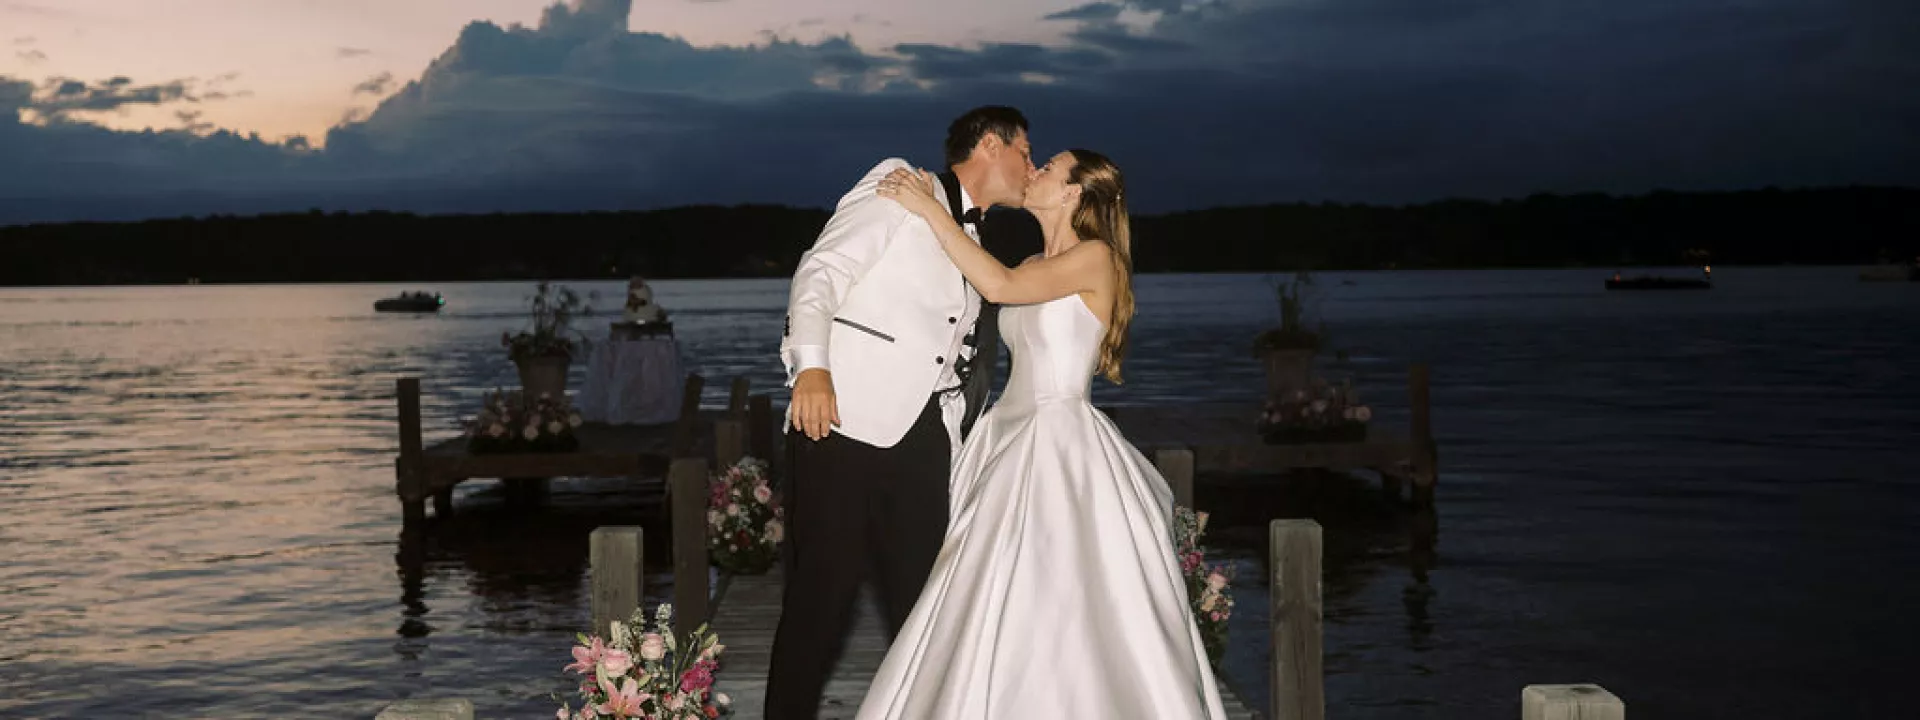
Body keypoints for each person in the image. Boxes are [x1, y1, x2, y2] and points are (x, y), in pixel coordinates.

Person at [856, 149, 1229, 718]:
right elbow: (983, 284)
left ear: (1072, 193)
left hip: (1059, 439)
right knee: (989, 584)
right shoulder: (1031, 262)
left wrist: (933, 211)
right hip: (1006, 432)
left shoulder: (1096, 259)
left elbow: (998, 287)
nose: (1034, 173)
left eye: (1048, 169)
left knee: (1062, 582)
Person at [766, 105, 1034, 720]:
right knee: (821, 601)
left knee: (920, 603)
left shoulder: (966, 235)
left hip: (924, 442)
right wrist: (811, 366)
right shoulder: (900, 182)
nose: (1029, 165)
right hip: (842, 421)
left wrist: (955, 435)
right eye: (1024, 151)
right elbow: (822, 271)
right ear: (992, 144)